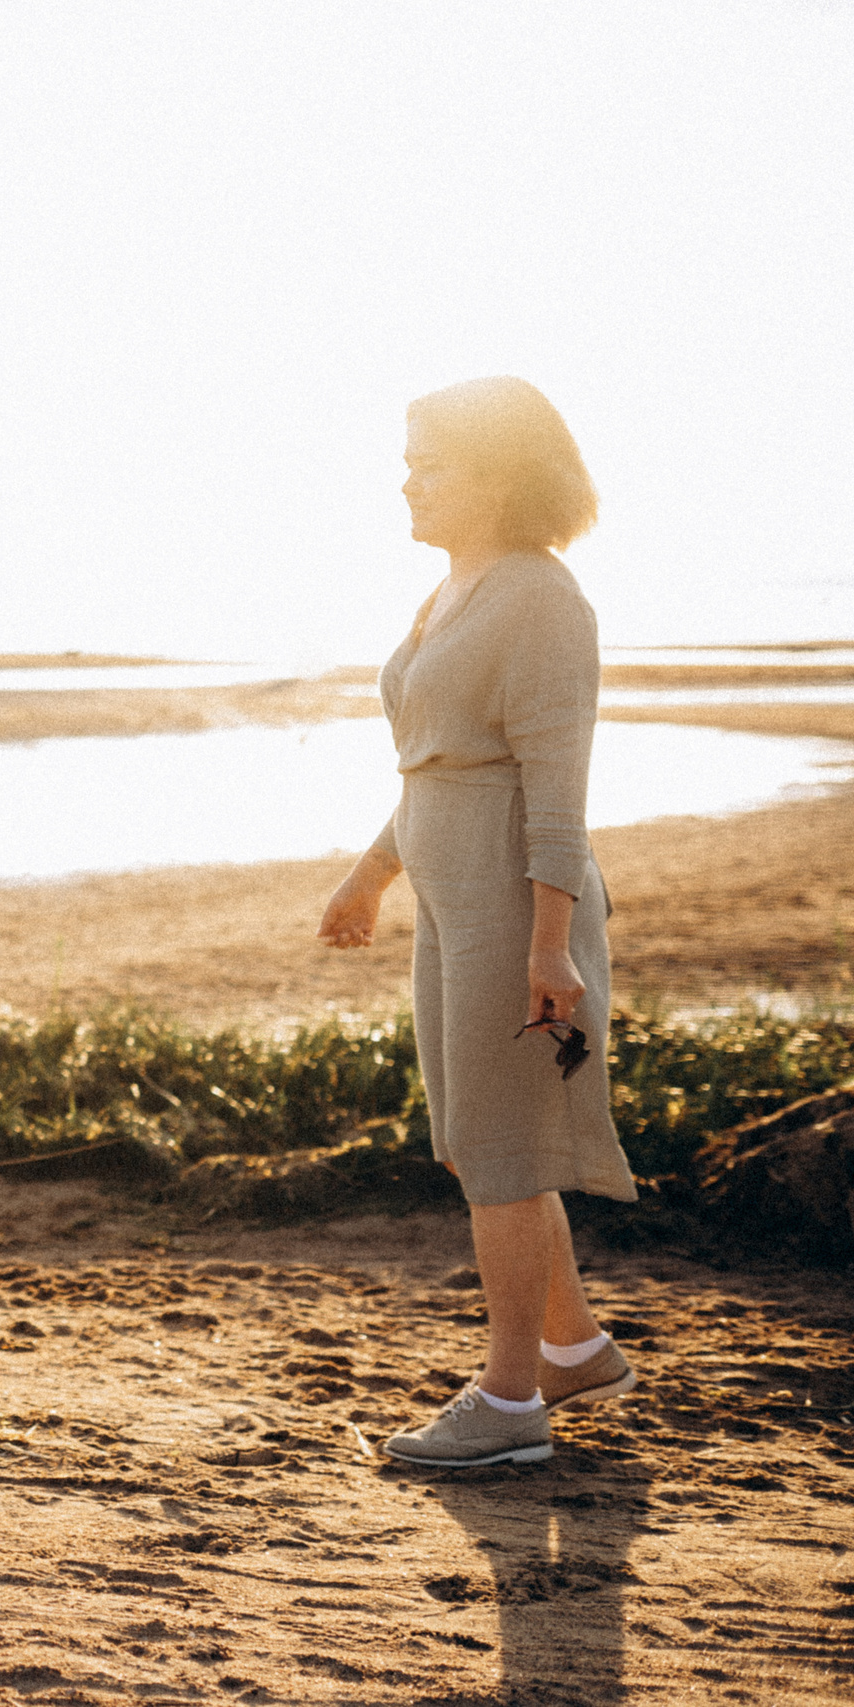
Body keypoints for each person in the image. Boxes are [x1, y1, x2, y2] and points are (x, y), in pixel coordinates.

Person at [317, 378, 639, 1468]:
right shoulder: (453, 588)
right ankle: (572, 1348)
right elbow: (436, 764)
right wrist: (370, 875)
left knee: (502, 1150)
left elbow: (555, 790)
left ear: (501, 476)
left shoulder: (543, 599)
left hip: (514, 904)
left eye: (432, 463)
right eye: (408, 460)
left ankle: (508, 1405)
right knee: (478, 1145)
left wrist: (549, 944)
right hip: (451, 904)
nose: (407, 482)